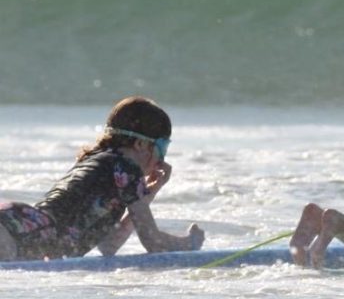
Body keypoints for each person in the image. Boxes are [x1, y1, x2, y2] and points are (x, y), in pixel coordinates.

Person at [0, 96, 204, 261]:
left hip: (18, 225)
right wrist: (188, 245)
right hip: (19, 232)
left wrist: (148, 193)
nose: (162, 160)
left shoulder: (102, 163)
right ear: (141, 144)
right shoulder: (126, 168)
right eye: (163, 147)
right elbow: (153, 243)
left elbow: (109, 244)